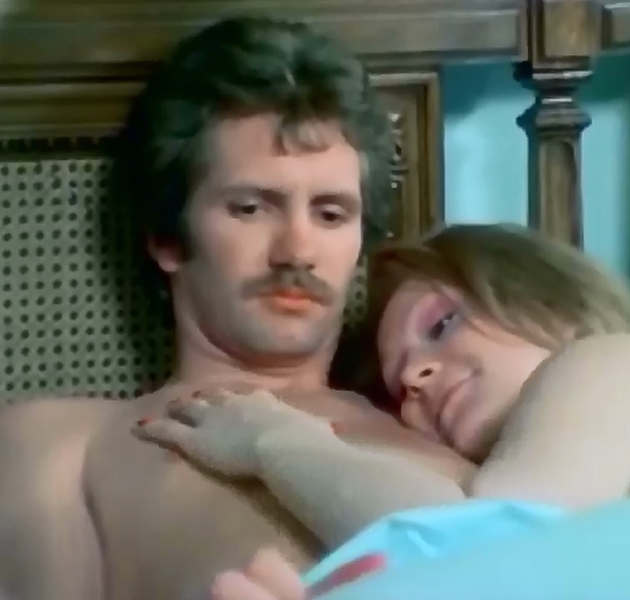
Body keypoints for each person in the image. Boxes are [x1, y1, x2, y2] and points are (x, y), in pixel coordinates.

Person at [0, 17, 474, 600]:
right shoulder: (64, 444)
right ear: (168, 238)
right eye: (250, 208)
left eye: (330, 214)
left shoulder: (448, 420)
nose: (297, 251)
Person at [135, 224, 630, 598]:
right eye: (399, 389)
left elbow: (480, 541)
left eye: (442, 324)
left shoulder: (605, 362)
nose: (416, 376)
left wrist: (273, 440)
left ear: (554, 303)